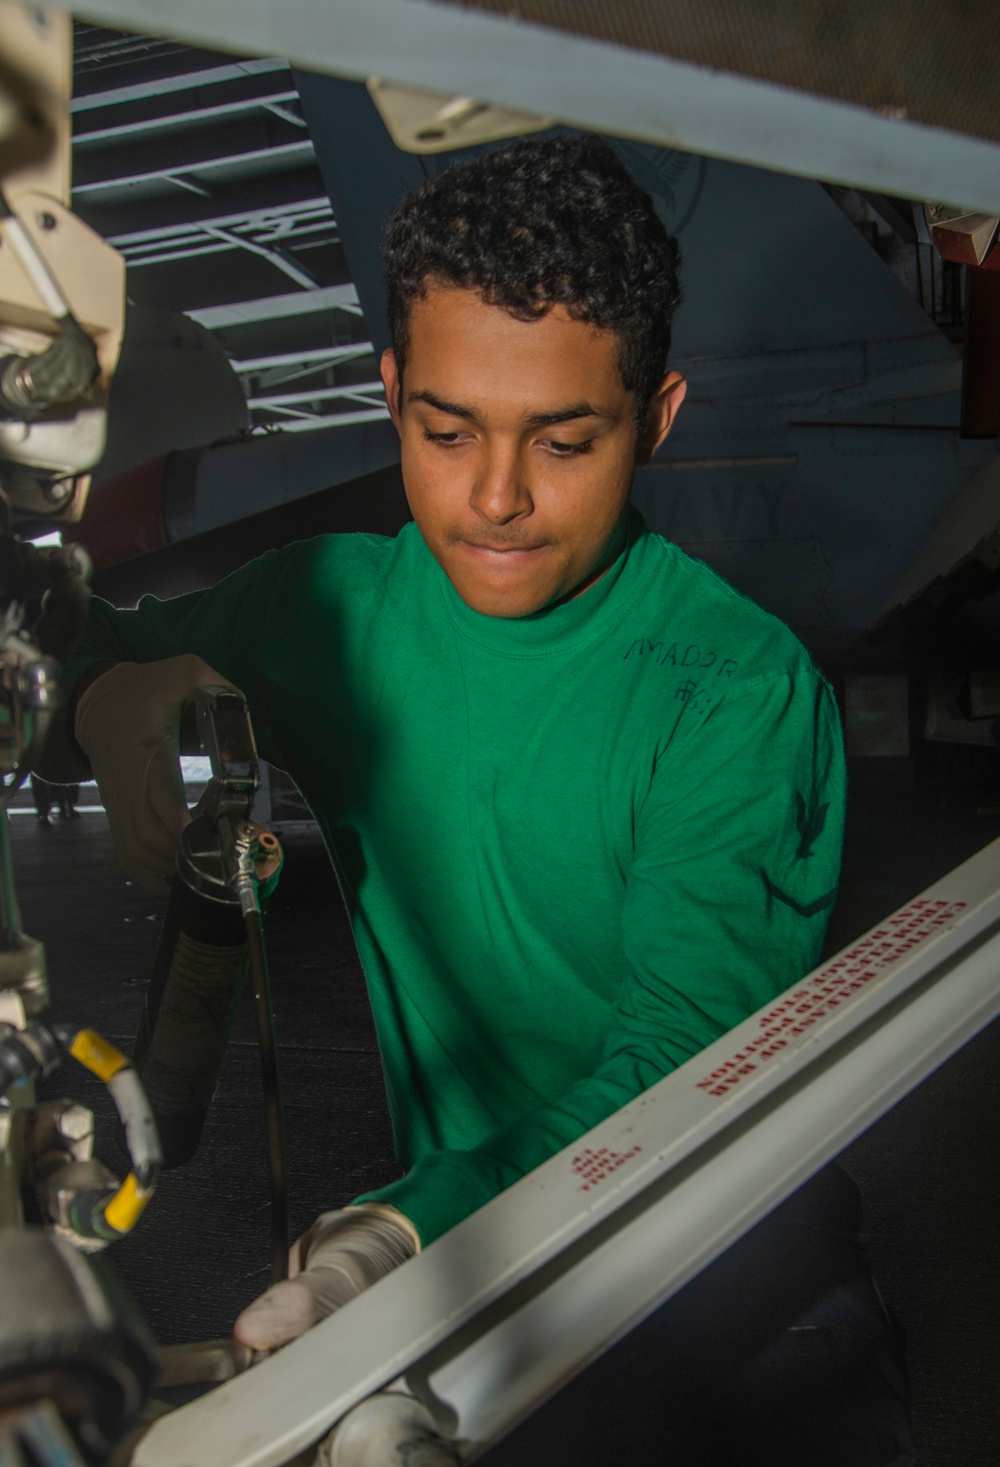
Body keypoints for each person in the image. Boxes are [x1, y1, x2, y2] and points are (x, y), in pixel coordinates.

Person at [50, 137, 913, 1462]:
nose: (497, 499)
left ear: (660, 416)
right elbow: (51, 662)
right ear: (392, 392)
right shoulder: (328, 607)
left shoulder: (734, 689)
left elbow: (679, 1071)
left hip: (737, 1293)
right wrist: (104, 686)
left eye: (566, 440)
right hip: (478, 1280)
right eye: (445, 432)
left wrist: (394, 1234)